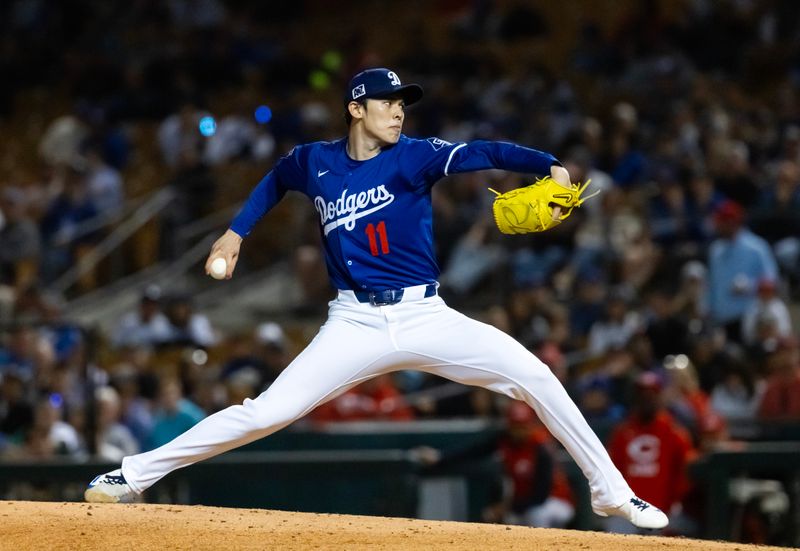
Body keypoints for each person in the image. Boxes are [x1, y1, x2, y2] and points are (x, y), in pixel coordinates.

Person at [85, 67, 667, 529]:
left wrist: (553, 167)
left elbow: (484, 151)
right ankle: (131, 475)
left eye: (402, 103)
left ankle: (611, 492)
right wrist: (236, 231)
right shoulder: (315, 161)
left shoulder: (413, 154)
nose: (398, 110)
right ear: (356, 109)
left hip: (424, 314)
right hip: (354, 322)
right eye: (387, 101)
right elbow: (275, 179)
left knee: (536, 375)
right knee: (265, 413)